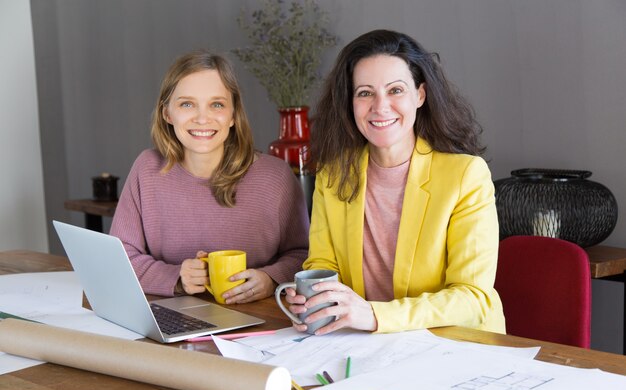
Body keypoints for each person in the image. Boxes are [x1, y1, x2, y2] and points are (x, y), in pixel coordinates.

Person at [285, 29, 505, 334]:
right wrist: (314, 298)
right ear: (350, 102)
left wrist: (374, 315)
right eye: (365, 93)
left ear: (420, 95)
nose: (380, 106)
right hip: (364, 348)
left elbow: (473, 298)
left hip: (455, 348)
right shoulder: (332, 177)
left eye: (395, 90)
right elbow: (323, 265)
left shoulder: (466, 175)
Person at [110, 51, 309, 304]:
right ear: (167, 114)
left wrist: (271, 279)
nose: (202, 118)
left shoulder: (275, 176)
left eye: (217, 104)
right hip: (173, 318)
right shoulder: (147, 169)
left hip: (260, 322)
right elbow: (119, 258)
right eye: (187, 104)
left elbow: (304, 255)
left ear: (233, 114)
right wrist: (177, 278)